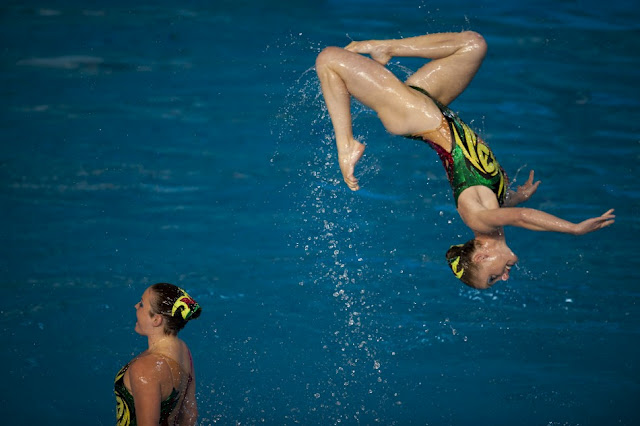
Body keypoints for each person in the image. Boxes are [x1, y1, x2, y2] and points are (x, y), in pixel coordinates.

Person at [315, 31, 615, 289]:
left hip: (416, 117)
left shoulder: (478, 221)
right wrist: (513, 197)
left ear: (482, 256)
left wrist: (574, 229)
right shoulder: (489, 212)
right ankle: (389, 48)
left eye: (493, 276)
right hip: (432, 109)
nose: (505, 277)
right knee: (474, 44)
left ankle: (347, 144)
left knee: (329, 59)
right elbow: (501, 204)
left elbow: (523, 218)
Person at [115, 283, 201, 425]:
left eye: (142, 304)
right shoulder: (182, 350)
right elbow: (189, 415)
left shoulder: (145, 369)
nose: (136, 306)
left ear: (156, 319)